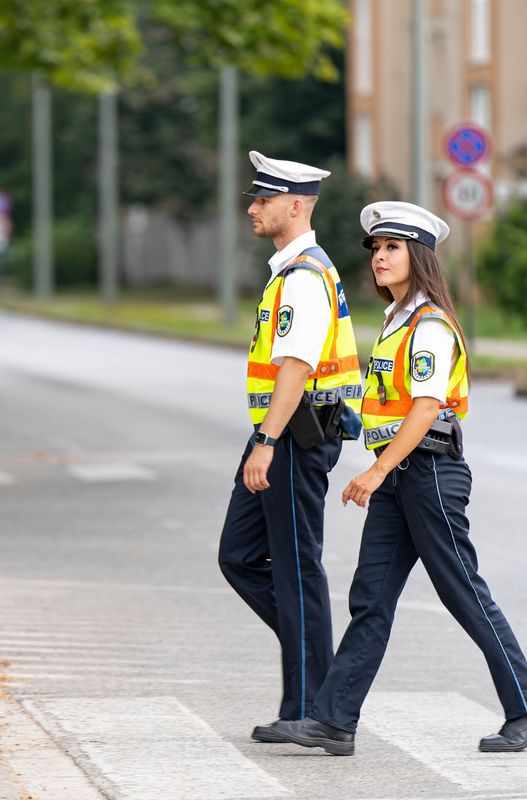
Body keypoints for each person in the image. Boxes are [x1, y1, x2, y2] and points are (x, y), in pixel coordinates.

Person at [270, 201, 527, 755]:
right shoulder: (396, 321)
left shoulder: (429, 324)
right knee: (370, 598)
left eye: (392, 248)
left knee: (463, 593)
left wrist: (376, 471)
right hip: (401, 477)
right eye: (376, 249)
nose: (379, 257)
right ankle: (334, 720)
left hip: (428, 474)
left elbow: (426, 408)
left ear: (419, 257)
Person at [218, 151, 363, 743]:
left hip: (294, 440)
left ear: (297, 206)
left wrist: (266, 442)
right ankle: (317, 683)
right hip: (283, 439)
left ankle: (308, 708)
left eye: (264, 199)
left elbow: (296, 366)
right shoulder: (290, 272)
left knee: (297, 569)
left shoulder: (304, 276)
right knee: (241, 556)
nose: (252, 207)